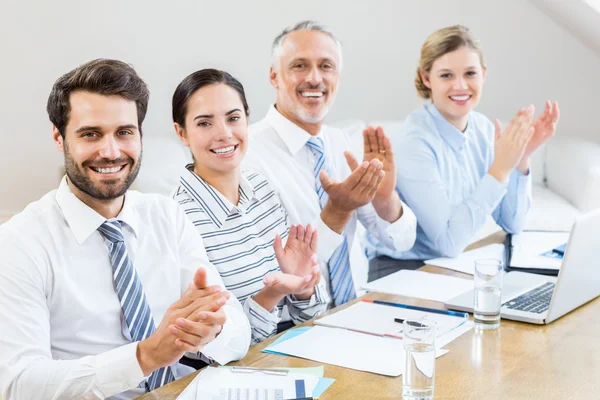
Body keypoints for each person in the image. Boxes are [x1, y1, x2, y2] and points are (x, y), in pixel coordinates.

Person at [0, 59, 251, 400]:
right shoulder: (19, 243)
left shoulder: (168, 216)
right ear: (59, 137)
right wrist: (146, 357)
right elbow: (19, 384)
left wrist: (210, 329)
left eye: (124, 132)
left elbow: (236, 328)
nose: (111, 151)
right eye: (91, 134)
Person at [243, 21, 417, 306]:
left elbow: (401, 241)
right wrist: (338, 211)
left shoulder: (342, 144)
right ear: (274, 76)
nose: (314, 78)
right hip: (292, 323)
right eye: (299, 65)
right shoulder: (249, 154)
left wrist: (386, 199)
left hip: (358, 308)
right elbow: (275, 270)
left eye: (326, 66)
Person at [365, 25, 560, 279]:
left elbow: (513, 223)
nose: (460, 86)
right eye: (446, 75)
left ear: (483, 75)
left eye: (470, 73)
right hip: (405, 271)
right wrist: (500, 168)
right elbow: (447, 242)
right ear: (426, 78)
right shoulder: (413, 142)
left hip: (454, 264)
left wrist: (521, 157)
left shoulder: (482, 128)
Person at [171, 69, 330, 344]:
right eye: (204, 123)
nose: (224, 134)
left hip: (296, 351)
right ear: (182, 133)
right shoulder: (177, 218)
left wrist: (302, 285)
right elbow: (217, 345)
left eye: (233, 118)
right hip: (234, 373)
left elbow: (312, 316)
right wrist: (272, 295)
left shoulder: (262, 187)